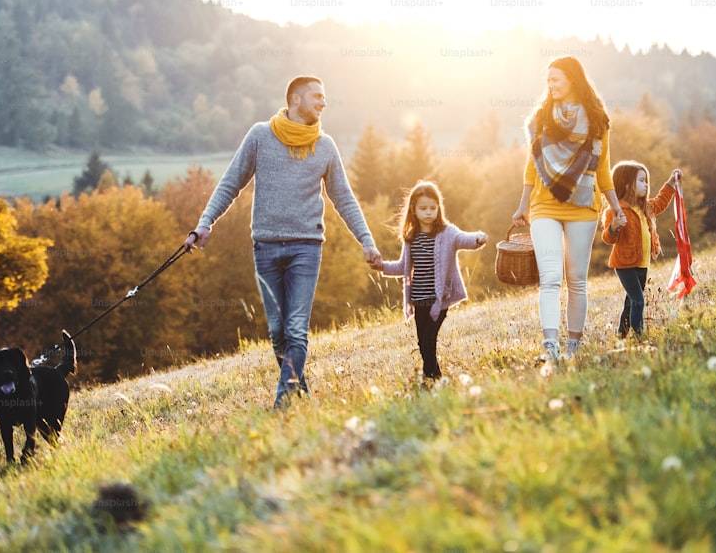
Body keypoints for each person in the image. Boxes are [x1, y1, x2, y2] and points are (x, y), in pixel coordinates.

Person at [185, 75, 382, 409]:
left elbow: (344, 199)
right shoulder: (261, 136)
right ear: (295, 100)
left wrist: (367, 240)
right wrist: (205, 223)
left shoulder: (326, 146)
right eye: (317, 96)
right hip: (265, 247)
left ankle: (283, 404)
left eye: (324, 97)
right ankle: (300, 393)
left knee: (295, 329)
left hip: (306, 248)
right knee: (278, 332)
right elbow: (231, 182)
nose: (323, 102)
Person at [511, 56, 625, 363]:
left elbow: (603, 169)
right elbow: (532, 166)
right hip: (544, 205)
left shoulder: (597, 119)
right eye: (548, 80)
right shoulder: (540, 118)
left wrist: (615, 207)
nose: (550, 85)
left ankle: (574, 347)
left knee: (576, 279)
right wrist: (523, 205)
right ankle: (551, 346)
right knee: (550, 277)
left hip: (583, 206)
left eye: (556, 80)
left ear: (572, 80)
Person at [374, 181, 487, 381]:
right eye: (423, 208)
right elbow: (403, 267)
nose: (428, 213)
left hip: (438, 300)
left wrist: (477, 238)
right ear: (413, 210)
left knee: (428, 340)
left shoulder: (447, 233)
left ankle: (431, 378)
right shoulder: (411, 237)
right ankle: (435, 376)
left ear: (439, 208)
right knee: (422, 343)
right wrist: (382, 266)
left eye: (433, 208)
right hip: (419, 299)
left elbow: (464, 239)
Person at [601, 161, 682, 339]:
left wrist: (670, 183)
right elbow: (608, 238)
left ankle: (621, 335)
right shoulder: (616, 211)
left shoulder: (644, 207)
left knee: (631, 302)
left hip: (642, 263)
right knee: (638, 300)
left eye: (646, 181)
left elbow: (660, 203)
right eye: (642, 180)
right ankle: (640, 336)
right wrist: (614, 227)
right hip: (624, 265)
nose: (646, 184)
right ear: (628, 184)